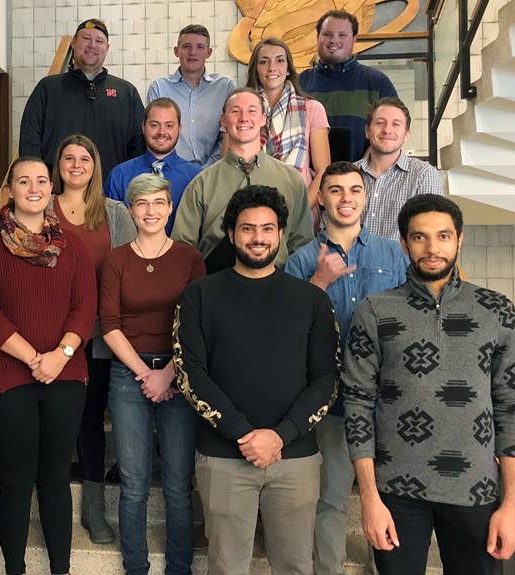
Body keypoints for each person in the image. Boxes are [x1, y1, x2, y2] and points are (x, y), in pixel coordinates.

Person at [343, 194, 515, 574]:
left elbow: (512, 405)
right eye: (420, 237)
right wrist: (369, 498)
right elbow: (357, 402)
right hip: (395, 493)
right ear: (403, 243)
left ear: (460, 239)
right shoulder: (375, 310)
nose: (432, 248)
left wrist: (511, 506)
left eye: (443, 236)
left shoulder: (496, 310)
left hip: (476, 490)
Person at [174, 185, 339, 575]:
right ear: (231, 234)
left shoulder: (312, 300)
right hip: (223, 455)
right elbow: (190, 373)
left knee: (295, 567)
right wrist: (245, 434)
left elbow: (327, 379)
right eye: (247, 228)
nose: (258, 237)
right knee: (226, 567)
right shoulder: (198, 296)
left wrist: (280, 436)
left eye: (267, 228)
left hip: (295, 456)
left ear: (280, 234)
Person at [0, 156, 97, 575]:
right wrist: (34, 358)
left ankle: (61, 569)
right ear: (10, 190)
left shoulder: (72, 245)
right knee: (17, 480)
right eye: (24, 181)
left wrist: (60, 356)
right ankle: (15, 570)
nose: (34, 188)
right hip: (6, 380)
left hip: (66, 376)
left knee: (55, 479)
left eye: (41, 180)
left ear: (51, 189)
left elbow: (84, 309)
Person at [284, 161, 409, 575]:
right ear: (321, 198)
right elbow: (286, 331)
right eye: (335, 190)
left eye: (354, 190)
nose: (345, 198)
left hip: (388, 398)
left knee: (390, 496)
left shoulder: (392, 253)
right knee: (331, 498)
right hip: (332, 399)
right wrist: (319, 281)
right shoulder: (301, 261)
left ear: (365, 197)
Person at [101, 173, 205, 575]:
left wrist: (168, 373)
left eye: (159, 202)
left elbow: (197, 325)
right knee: (134, 483)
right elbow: (110, 325)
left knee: (178, 482)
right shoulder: (116, 260)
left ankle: (179, 568)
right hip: (130, 373)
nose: (150, 211)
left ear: (170, 207)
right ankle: (136, 567)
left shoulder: (189, 259)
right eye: (142, 203)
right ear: (130, 210)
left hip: (179, 372)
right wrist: (147, 373)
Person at [50, 134, 136, 544]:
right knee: (53, 416)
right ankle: (50, 497)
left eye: (84, 158)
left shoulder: (114, 212)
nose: (76, 165)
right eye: (69, 158)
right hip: (52, 336)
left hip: (99, 336)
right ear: (58, 165)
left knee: (90, 418)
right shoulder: (43, 208)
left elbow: (127, 270)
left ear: (95, 166)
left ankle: (93, 507)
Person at [171, 88, 314, 274]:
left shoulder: (292, 180)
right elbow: (183, 248)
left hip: (278, 281)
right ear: (223, 120)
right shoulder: (201, 184)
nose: (244, 118)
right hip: (217, 282)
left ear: (263, 119)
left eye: (252, 111)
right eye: (235, 111)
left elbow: (302, 245)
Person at [20, 18, 144, 180]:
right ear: (73, 42)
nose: (92, 45)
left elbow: (138, 148)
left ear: (107, 48)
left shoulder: (126, 93)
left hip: (110, 191)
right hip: (57, 190)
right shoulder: (48, 89)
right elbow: (30, 141)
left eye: (99, 41)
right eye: (86, 38)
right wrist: (38, 183)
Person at [246, 37, 330, 231]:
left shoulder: (313, 108)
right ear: (256, 70)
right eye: (264, 61)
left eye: (279, 60)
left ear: (289, 69)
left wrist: (297, 214)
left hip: (301, 207)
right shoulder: (243, 111)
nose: (272, 67)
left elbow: (323, 172)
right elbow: (230, 164)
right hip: (252, 207)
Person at [298, 9, 398, 162]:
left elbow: (391, 134)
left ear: (354, 39)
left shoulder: (378, 83)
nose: (334, 40)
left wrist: (359, 171)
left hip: (363, 175)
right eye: (327, 34)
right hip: (306, 176)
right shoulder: (298, 84)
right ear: (317, 38)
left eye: (342, 35)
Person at [104, 98, 202, 234]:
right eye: (154, 125)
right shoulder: (119, 175)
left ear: (179, 129)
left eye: (169, 125)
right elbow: (108, 227)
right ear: (143, 127)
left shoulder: (196, 177)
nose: (161, 132)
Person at [147, 24, 237, 167]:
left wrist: (208, 169)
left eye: (200, 47)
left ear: (209, 52)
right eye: (186, 46)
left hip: (215, 169)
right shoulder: (159, 88)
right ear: (176, 51)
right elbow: (154, 135)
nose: (193, 52)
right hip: (170, 171)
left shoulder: (226, 87)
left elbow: (230, 133)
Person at [354, 97, 444, 240]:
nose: (387, 130)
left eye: (396, 124)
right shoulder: (349, 173)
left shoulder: (424, 175)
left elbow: (431, 232)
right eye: (380, 123)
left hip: (401, 256)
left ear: (406, 135)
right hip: (350, 255)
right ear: (367, 131)